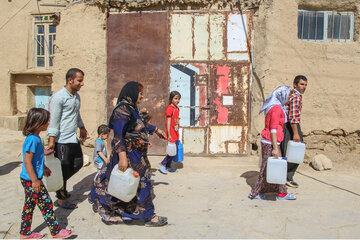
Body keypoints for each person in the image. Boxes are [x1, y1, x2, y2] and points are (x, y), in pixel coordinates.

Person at [88, 81, 168, 227]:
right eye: (140, 93)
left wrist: (156, 130)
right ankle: (150, 216)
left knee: (129, 185)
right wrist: (123, 158)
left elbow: (141, 123)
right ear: (131, 92)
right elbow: (118, 135)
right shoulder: (122, 110)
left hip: (137, 155)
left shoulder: (132, 109)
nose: (142, 96)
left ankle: (120, 211)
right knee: (141, 183)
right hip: (129, 155)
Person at [20, 108, 74, 239]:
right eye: (46, 121)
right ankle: (56, 232)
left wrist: (43, 168)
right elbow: (27, 162)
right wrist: (35, 180)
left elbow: (36, 159)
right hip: (31, 180)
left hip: (29, 179)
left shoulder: (35, 138)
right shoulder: (33, 139)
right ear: (38, 123)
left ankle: (24, 233)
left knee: (29, 205)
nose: (48, 123)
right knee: (47, 205)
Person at [47, 68, 88, 209]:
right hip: (61, 140)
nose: (82, 84)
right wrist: (51, 141)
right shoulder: (59, 97)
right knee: (63, 168)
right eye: (79, 81)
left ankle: (58, 184)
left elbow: (76, 114)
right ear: (70, 80)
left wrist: (81, 127)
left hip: (72, 137)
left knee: (78, 163)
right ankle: (61, 199)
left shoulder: (76, 97)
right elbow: (54, 120)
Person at [248, 86, 296, 200]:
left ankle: (280, 191)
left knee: (272, 167)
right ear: (282, 96)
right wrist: (275, 147)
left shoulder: (274, 107)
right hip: (271, 142)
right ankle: (256, 192)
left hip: (270, 141)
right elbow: (273, 129)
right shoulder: (276, 108)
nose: (289, 99)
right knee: (268, 168)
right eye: (288, 96)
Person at [280, 75, 308, 188]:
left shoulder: (292, 95)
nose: (304, 87)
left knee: (287, 151)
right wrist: (296, 134)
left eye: (305, 85)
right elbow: (293, 117)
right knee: (295, 153)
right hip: (291, 127)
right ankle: (288, 177)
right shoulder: (296, 97)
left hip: (287, 126)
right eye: (302, 84)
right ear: (295, 85)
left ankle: (283, 176)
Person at [158, 91, 181, 174]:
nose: (177, 101)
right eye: (175, 98)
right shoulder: (169, 108)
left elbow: (176, 120)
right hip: (171, 132)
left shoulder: (177, 108)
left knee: (174, 150)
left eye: (178, 99)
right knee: (171, 150)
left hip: (175, 132)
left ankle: (168, 165)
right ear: (171, 99)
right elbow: (168, 122)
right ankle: (162, 164)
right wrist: (169, 134)